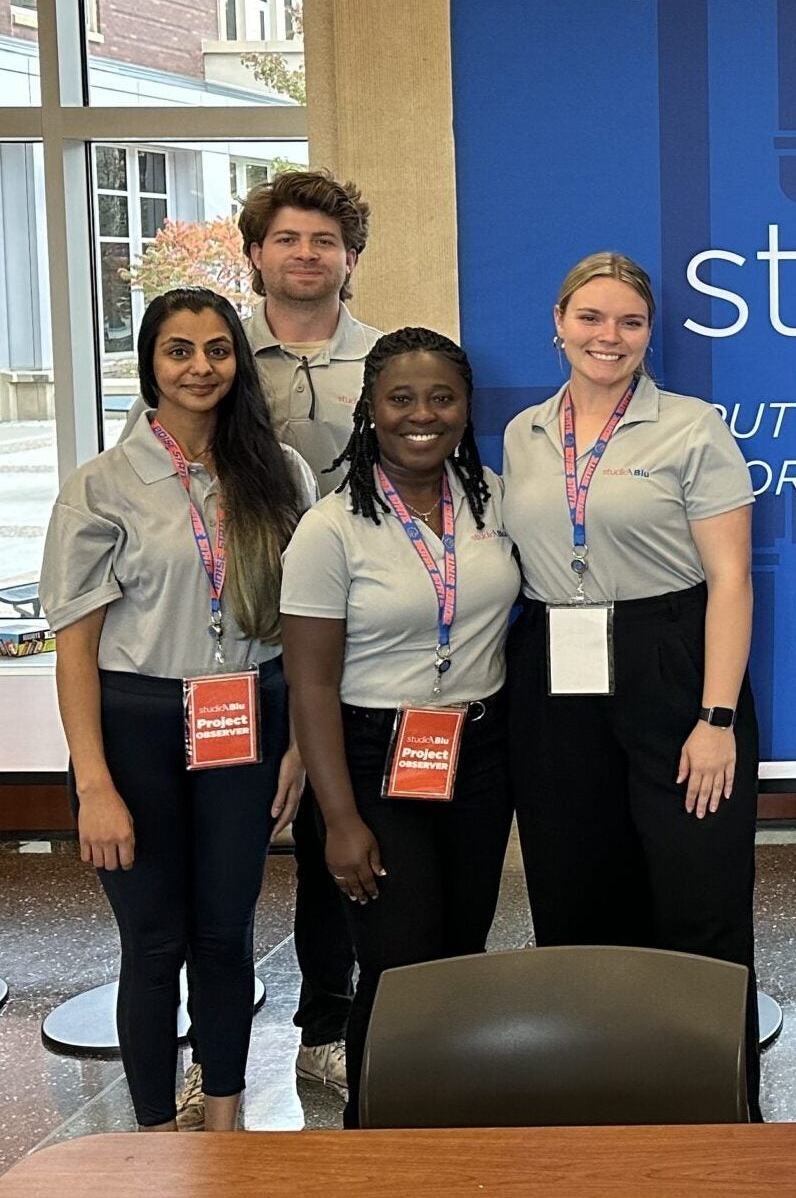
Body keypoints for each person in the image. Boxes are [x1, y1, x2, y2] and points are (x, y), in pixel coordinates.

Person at [39, 289, 314, 1133]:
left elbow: (306, 622)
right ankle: (156, 1130)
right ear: (150, 363)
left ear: (239, 360)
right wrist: (94, 784)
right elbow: (76, 648)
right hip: (139, 724)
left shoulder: (280, 470)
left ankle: (225, 1116)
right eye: (179, 350)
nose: (201, 367)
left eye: (218, 349)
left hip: (250, 710)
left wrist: (299, 743)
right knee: (155, 942)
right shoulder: (103, 484)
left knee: (226, 933)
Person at [501, 251, 761, 1101]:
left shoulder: (693, 426)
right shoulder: (523, 433)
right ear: (559, 322)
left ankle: (715, 1102)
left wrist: (715, 717)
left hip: (671, 663)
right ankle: (596, 1099)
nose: (608, 337)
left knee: (698, 897)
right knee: (575, 896)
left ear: (649, 335)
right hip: (554, 667)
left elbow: (729, 578)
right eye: (592, 318)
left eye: (629, 322)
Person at [281, 329, 521, 1126]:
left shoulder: (491, 500)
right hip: (371, 755)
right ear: (369, 409)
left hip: (478, 750)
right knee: (398, 963)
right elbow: (311, 682)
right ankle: (380, 1143)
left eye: (442, 397)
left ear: (466, 407)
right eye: (402, 398)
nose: (423, 415)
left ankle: (452, 1134)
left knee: (460, 955)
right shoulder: (331, 528)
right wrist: (339, 819)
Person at [220, 168, 379, 1111]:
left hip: (355, 643)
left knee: (334, 829)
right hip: (238, 645)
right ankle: (220, 1037)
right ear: (256, 253)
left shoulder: (390, 361)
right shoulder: (211, 361)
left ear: (349, 259)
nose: (306, 255)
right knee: (226, 844)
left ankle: (326, 1025)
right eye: (287, 239)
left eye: (324, 242)